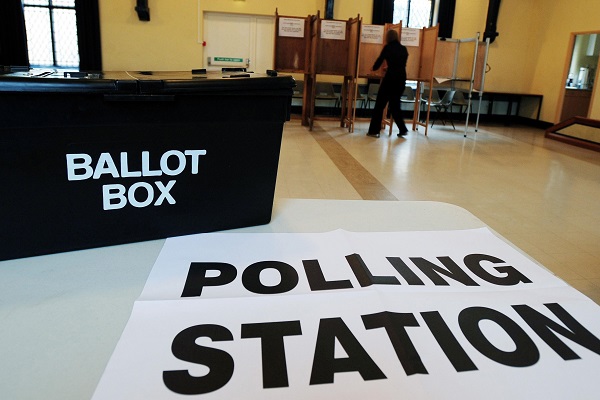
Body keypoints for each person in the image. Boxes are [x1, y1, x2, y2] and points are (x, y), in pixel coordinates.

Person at [367, 29, 409, 138]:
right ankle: (403, 129)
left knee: (380, 104)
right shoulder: (404, 49)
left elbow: (380, 60)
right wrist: (391, 66)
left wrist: (373, 68)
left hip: (390, 79)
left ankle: (374, 131)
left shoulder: (388, 48)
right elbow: (400, 64)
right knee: (395, 105)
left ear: (388, 38)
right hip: (401, 79)